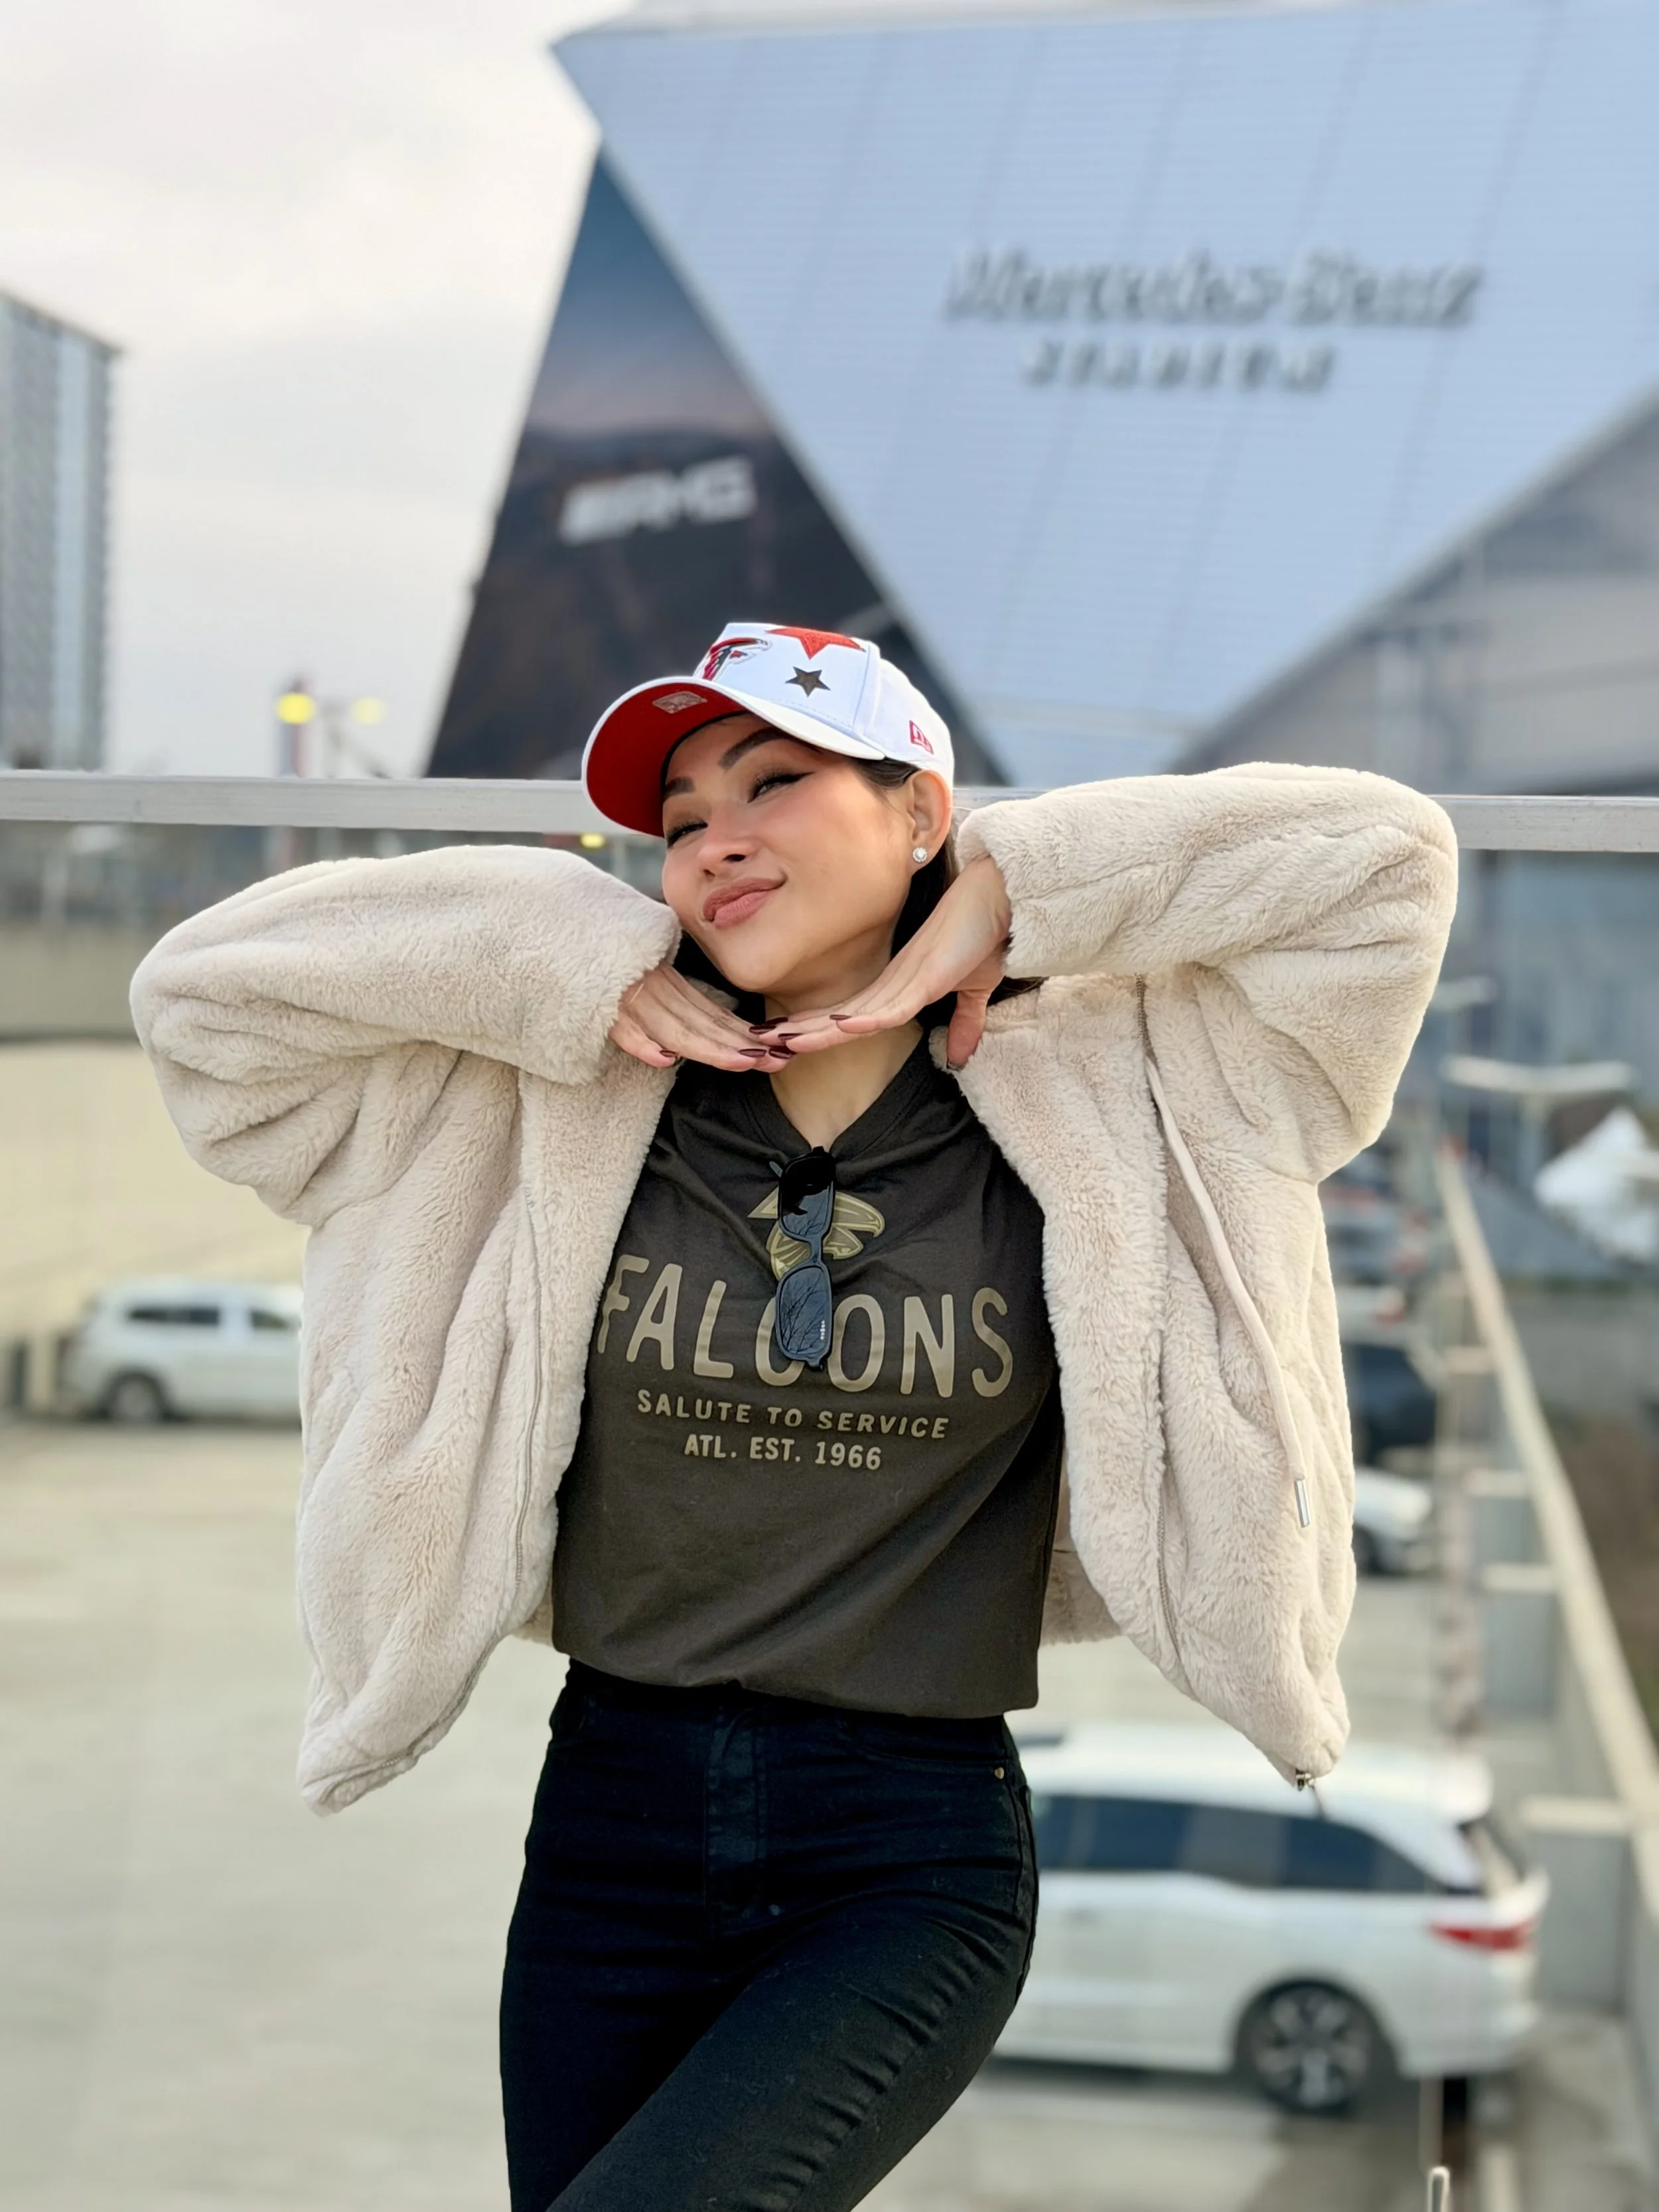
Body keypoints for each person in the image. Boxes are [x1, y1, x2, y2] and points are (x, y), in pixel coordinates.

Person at [129, 620, 1457, 2211]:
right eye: (680, 820)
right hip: (609, 1825)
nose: (714, 840)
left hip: (902, 1853)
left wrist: (1024, 887)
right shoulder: (554, 1090)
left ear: (917, 813)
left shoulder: (1131, 1078)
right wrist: (564, 948)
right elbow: (204, 1007)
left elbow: (1384, 865)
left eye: (774, 779)